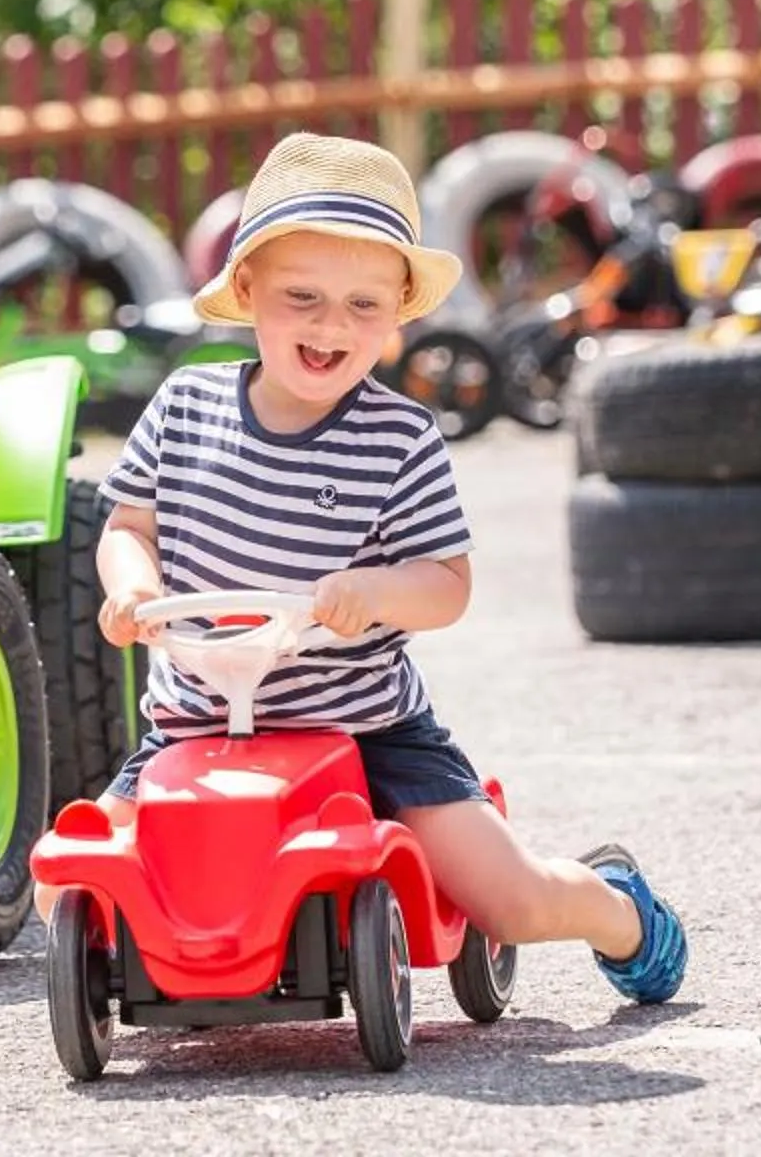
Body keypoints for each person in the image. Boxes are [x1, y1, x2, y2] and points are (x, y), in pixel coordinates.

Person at [55, 131, 689, 1005]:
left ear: (399, 315)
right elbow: (127, 525)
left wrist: (375, 591)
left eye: (363, 305)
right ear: (246, 293)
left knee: (511, 902)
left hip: (365, 731)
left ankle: (614, 907)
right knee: (69, 887)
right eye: (301, 297)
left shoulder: (399, 439)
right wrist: (132, 585)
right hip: (196, 727)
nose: (330, 326)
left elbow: (447, 584)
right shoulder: (186, 407)